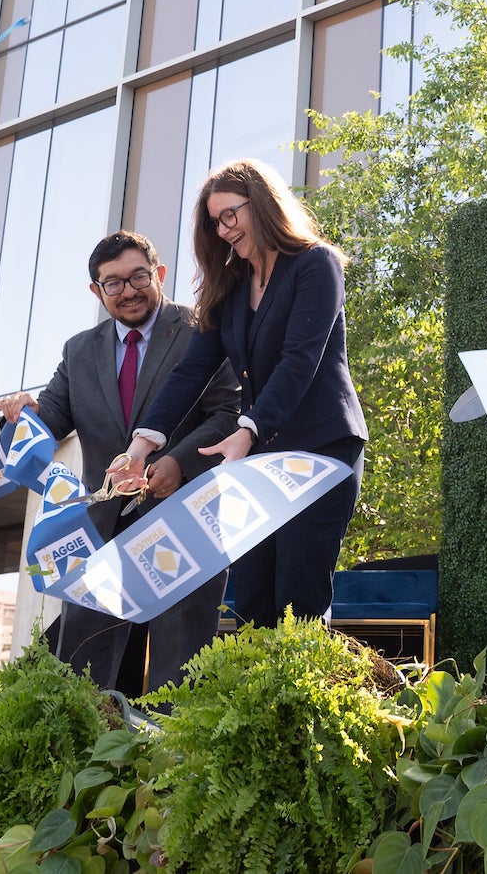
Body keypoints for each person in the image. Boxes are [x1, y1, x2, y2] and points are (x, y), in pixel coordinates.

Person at [121, 160, 367, 629]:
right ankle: (255, 703)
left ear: (263, 204)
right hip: (257, 455)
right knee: (252, 597)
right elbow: (190, 373)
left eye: (230, 215)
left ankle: (301, 700)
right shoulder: (231, 288)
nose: (224, 230)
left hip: (319, 448)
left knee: (298, 599)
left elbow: (300, 359)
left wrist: (248, 429)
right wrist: (140, 447)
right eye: (215, 222)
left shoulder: (317, 264)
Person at [0, 231, 239, 696]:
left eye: (138, 277)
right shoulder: (78, 351)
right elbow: (52, 420)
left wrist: (179, 464)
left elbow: (227, 413)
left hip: (184, 522)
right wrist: (22, 415)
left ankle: (175, 766)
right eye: (113, 283)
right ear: (97, 291)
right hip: (99, 532)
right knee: (82, 670)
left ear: (159, 274)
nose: (128, 290)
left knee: (181, 668)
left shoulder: (202, 330)